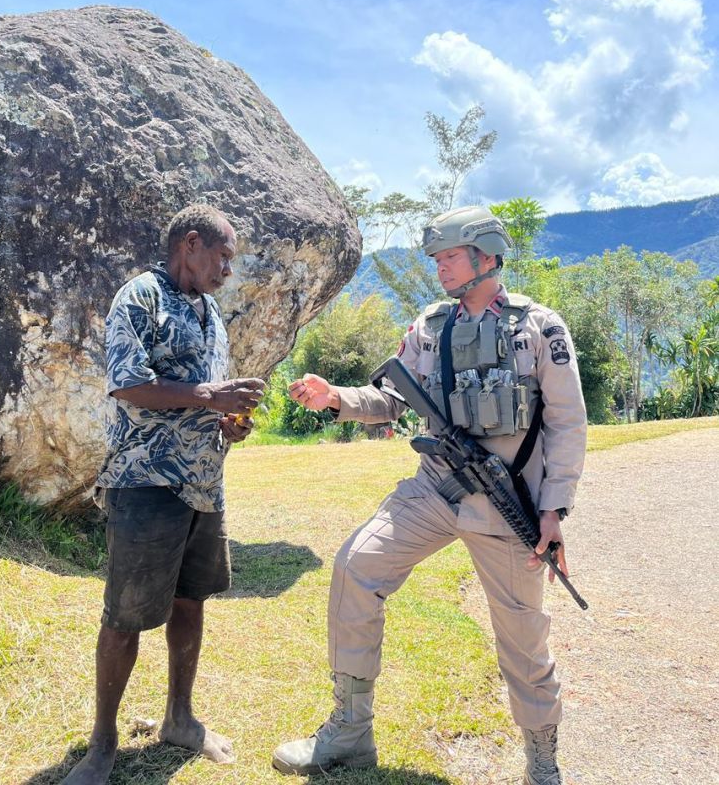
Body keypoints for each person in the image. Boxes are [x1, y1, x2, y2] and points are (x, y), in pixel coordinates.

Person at [272, 206, 586, 785]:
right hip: (437, 488)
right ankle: (349, 733)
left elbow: (567, 422)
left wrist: (554, 509)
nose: (439, 268)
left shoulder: (540, 328)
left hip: (508, 506)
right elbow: (391, 398)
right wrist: (335, 397)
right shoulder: (429, 326)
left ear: (487, 257)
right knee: (355, 566)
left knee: (523, 637)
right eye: (436, 258)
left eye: (449, 257)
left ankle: (542, 759)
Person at [63, 203, 265, 785]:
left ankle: (180, 717)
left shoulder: (211, 315)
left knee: (191, 600)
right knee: (125, 617)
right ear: (191, 245)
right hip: (145, 481)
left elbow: (210, 398)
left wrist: (230, 421)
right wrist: (210, 397)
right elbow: (128, 385)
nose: (228, 269)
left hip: (204, 484)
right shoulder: (140, 296)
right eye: (223, 257)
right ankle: (101, 745)